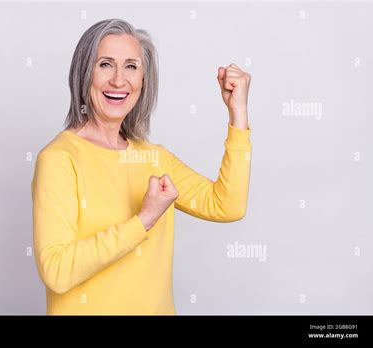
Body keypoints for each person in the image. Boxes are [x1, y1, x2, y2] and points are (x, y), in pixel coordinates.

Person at [31, 18, 252, 315]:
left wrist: (237, 112)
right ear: (84, 74)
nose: (119, 80)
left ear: (144, 81)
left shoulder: (153, 158)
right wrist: (143, 219)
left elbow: (228, 205)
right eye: (105, 64)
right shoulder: (59, 158)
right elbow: (56, 271)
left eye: (132, 66)